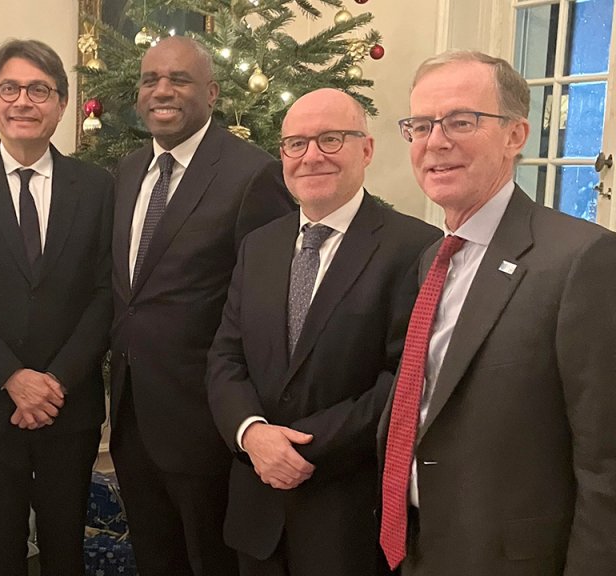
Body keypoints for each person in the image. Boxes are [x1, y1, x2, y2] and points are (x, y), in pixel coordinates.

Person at [377, 50, 616, 575]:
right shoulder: (432, 260)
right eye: (421, 124)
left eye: (461, 121)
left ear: (516, 135)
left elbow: (607, 466)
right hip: (420, 549)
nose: (435, 141)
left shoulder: (582, 260)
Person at [207, 88, 439, 576]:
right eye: (296, 144)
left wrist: (297, 447)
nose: (311, 156)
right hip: (257, 507)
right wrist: (253, 436)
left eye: (330, 139)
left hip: (347, 511)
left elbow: (404, 379)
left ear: (367, 150)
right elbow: (226, 359)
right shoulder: (258, 247)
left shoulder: (414, 247)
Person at [109, 35, 295, 576]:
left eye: (178, 79)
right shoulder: (126, 172)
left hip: (206, 423)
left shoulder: (252, 173)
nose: (161, 91)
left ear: (211, 93)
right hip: (130, 415)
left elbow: (266, 307)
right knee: (154, 558)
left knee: (210, 562)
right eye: (150, 80)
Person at [0, 39, 113, 576]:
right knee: (1, 553)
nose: (23, 101)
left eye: (39, 90)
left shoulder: (97, 187)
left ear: (61, 103)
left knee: (65, 552)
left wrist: (53, 381)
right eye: (10, 88)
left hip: (68, 405)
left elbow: (106, 294)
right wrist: (12, 376)